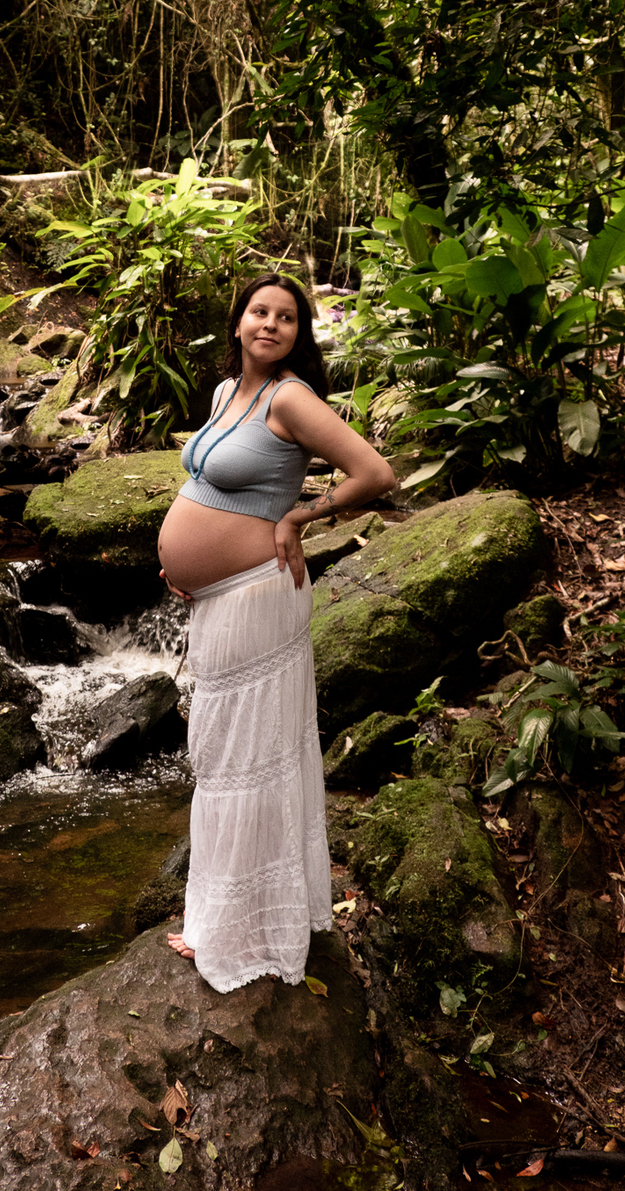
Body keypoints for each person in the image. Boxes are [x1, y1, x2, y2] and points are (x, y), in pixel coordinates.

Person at [157, 270, 396, 993]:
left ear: (298, 333)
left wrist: (300, 516)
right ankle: (218, 917)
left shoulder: (291, 398)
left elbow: (374, 473)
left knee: (247, 755)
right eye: (259, 312)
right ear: (237, 322)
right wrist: (184, 567)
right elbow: (208, 488)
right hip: (218, 598)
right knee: (221, 753)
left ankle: (240, 931)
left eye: (286, 317)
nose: (270, 324)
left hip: (260, 593)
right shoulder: (225, 393)